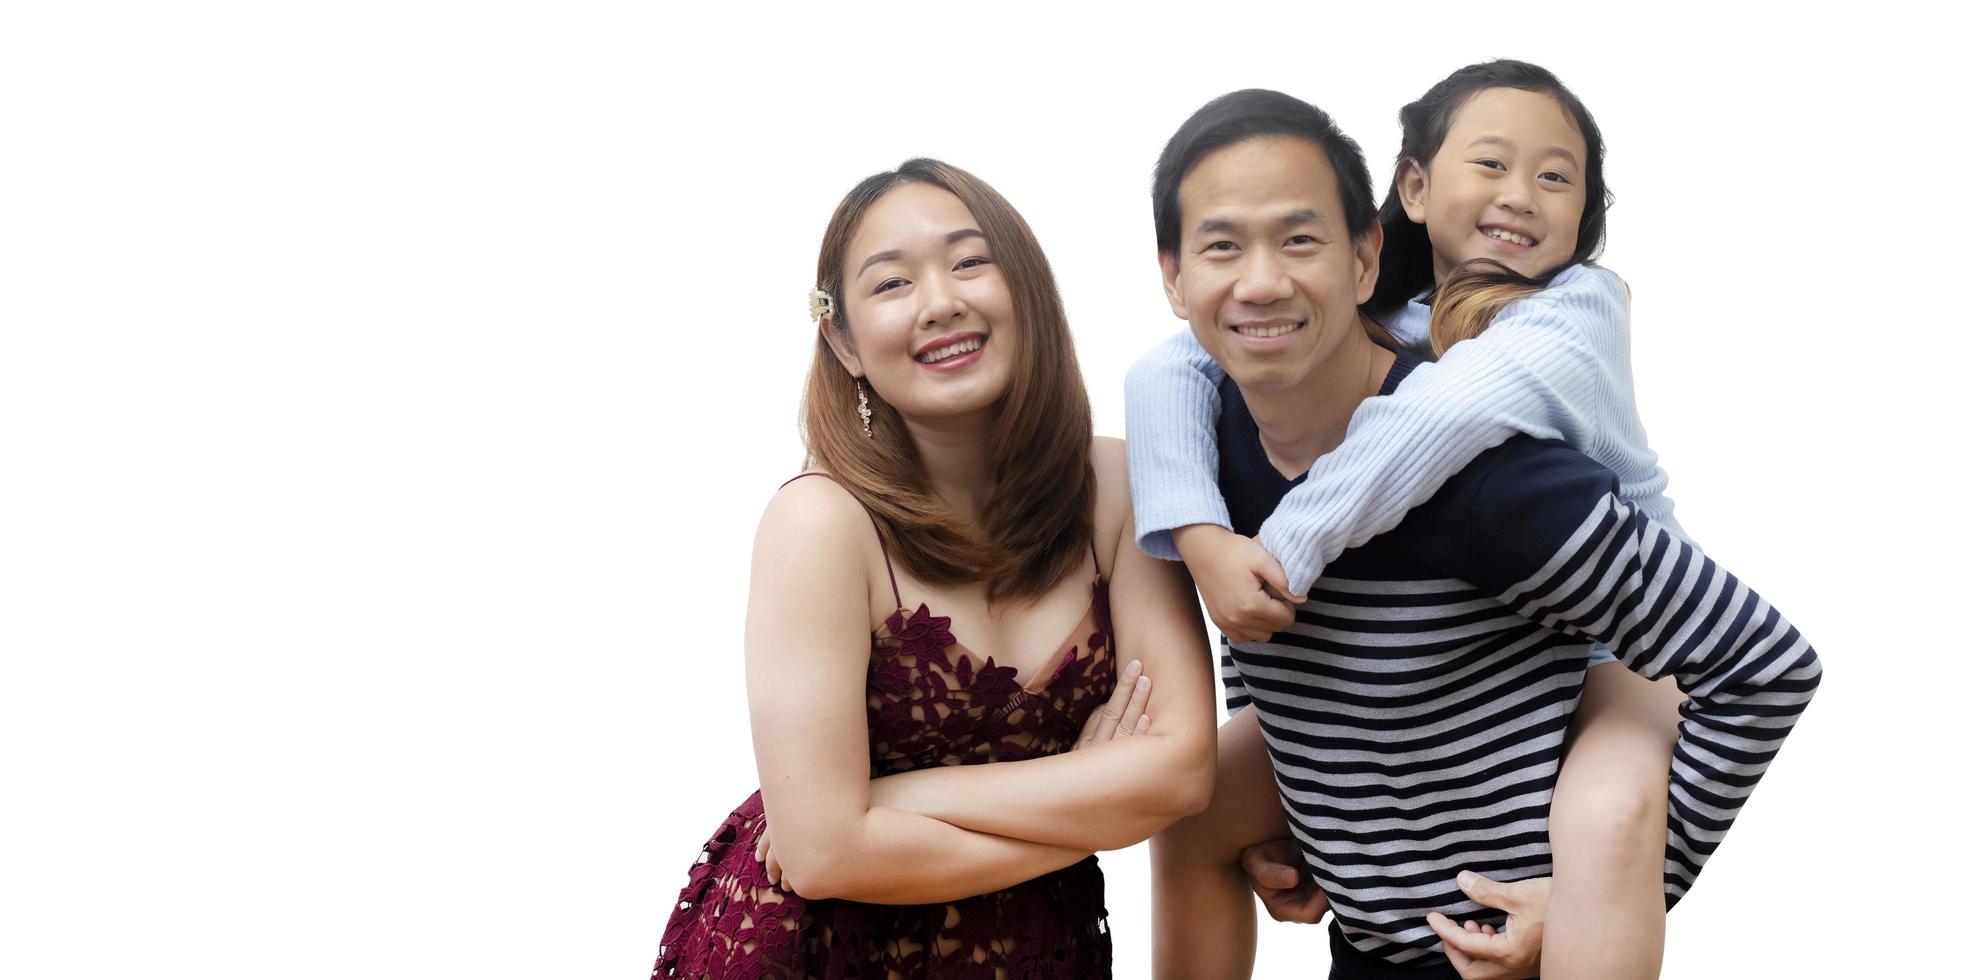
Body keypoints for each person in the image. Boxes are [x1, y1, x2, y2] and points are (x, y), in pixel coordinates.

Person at [1132, 88, 1821, 979]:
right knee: (1185, 785)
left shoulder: (1491, 468)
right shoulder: (1196, 444)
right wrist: (1300, 811)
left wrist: (1607, 893)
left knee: (1610, 807)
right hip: (1366, 944)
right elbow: (1256, 627)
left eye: (1299, 239)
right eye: (1222, 245)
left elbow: (1764, 668)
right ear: (1172, 278)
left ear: (1364, 256)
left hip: (1513, 943)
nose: (1260, 280)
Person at [654, 158, 1216, 979]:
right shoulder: (818, 522)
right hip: (813, 953)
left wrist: (892, 805)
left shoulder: (1117, 488)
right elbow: (817, 856)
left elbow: (1181, 771)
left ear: (1025, 289)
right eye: (890, 284)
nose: (941, 301)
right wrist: (1093, 800)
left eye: (969, 262)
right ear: (842, 341)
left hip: (1038, 949)